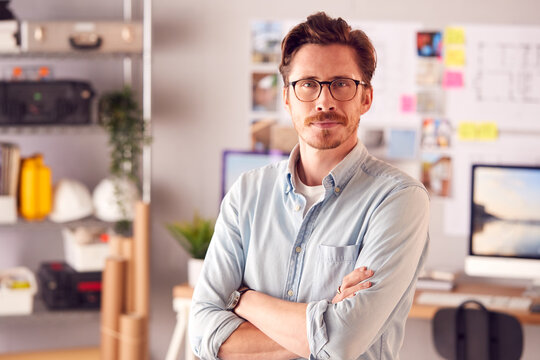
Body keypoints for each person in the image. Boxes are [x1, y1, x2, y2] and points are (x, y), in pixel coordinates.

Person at [189, 12, 430, 360]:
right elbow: (202, 333)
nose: (324, 101)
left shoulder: (398, 199)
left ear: (366, 98)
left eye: (341, 83)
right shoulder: (248, 193)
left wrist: (244, 299)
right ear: (286, 97)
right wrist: (324, 320)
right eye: (308, 84)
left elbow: (342, 343)